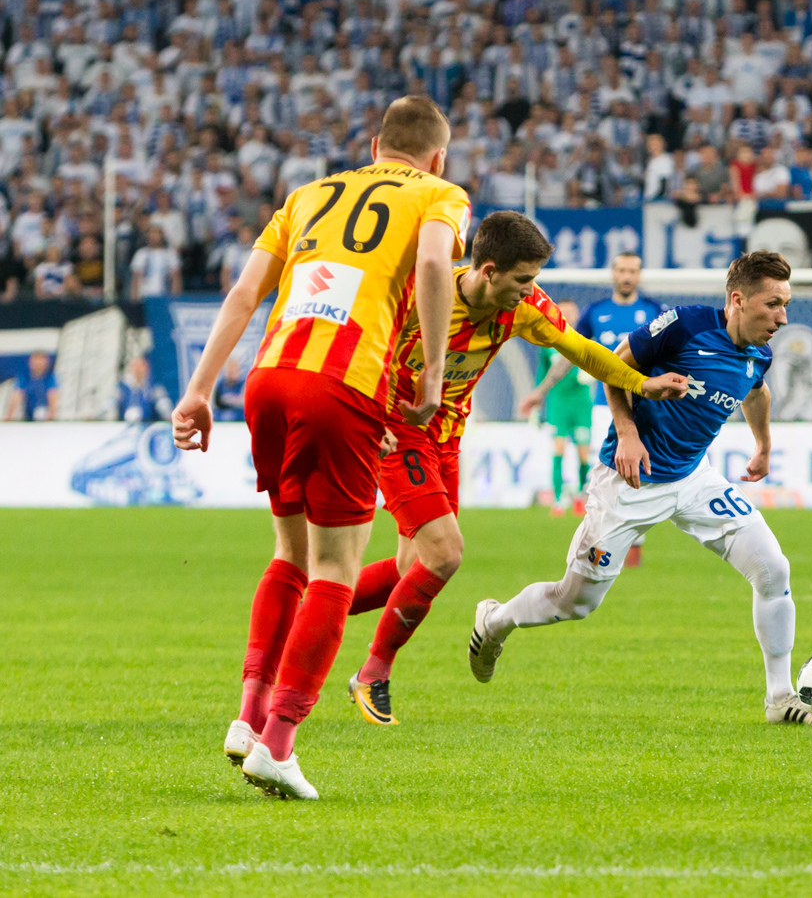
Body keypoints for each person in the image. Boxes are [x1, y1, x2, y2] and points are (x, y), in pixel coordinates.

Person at [171, 96, 471, 800]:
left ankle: (247, 719)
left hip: (269, 378)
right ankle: (279, 740)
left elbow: (245, 291)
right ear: (438, 156)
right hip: (344, 386)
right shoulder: (440, 194)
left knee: (289, 555)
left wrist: (197, 389)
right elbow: (434, 263)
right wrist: (431, 367)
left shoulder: (309, 193)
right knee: (336, 568)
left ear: (374, 145)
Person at [343, 213, 686, 726]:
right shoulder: (422, 293)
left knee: (408, 567)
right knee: (444, 555)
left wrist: (642, 385)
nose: (532, 290)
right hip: (397, 427)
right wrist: (368, 415)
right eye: (523, 280)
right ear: (487, 271)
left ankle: (312, 606)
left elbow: (583, 351)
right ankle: (373, 671)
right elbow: (358, 346)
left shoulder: (525, 308)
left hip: (446, 434)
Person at [468, 251, 812, 726]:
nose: (783, 317)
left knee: (772, 569)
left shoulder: (758, 351)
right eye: (773, 304)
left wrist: (762, 445)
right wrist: (628, 433)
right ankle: (494, 622)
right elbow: (614, 366)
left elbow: (756, 390)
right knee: (574, 602)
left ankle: (780, 698)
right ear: (738, 299)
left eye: (786, 304)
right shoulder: (683, 326)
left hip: (693, 478)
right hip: (629, 479)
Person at [574, 251, 664, 563]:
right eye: (622, 270)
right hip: (605, 407)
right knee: (603, 476)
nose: (627, 276)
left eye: (633, 271)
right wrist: (542, 390)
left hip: (643, 406)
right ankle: (596, 546)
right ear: (613, 273)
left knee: (637, 474)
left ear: (639, 275)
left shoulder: (654, 311)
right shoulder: (595, 312)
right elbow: (573, 352)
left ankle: (633, 552)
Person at [520, 298, 598, 516]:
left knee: (584, 451)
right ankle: (558, 498)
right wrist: (537, 407)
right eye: (564, 312)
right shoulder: (548, 343)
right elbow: (542, 375)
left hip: (581, 401)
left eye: (572, 313)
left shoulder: (585, 341)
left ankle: (582, 496)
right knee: (558, 448)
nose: (569, 317)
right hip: (557, 401)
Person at [11, 351, 57, 421]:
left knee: (40, 412)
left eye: (40, 362)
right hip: (28, 412)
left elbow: (52, 395)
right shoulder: (24, 376)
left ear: (46, 363)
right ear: (30, 363)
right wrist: (10, 415)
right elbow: (17, 394)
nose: (38, 364)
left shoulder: (50, 377)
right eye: (35, 361)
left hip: (44, 413)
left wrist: (51, 415)